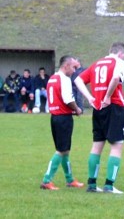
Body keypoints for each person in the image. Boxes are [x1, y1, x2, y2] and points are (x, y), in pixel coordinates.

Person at [74, 42, 124, 194]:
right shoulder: (119, 62)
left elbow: (78, 80)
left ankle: (91, 184)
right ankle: (109, 186)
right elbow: (116, 78)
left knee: (97, 145)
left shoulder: (96, 63)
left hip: (97, 108)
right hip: (114, 106)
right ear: (120, 54)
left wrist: (90, 98)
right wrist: (107, 96)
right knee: (117, 145)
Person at [40, 55, 85, 190]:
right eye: (73, 67)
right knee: (61, 150)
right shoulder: (65, 79)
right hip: (63, 119)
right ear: (66, 66)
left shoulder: (52, 79)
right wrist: (77, 109)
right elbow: (67, 99)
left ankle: (70, 179)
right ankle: (47, 180)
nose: (74, 70)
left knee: (65, 150)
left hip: (55, 118)